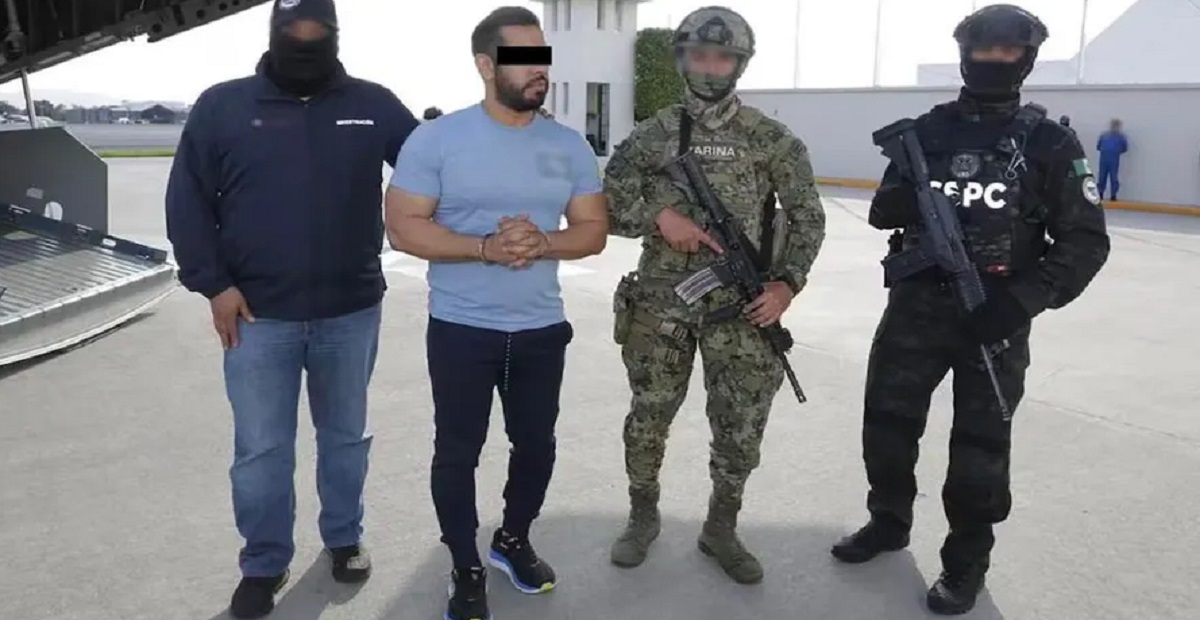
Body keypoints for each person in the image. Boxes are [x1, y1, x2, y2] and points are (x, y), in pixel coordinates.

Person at [830, 4, 1110, 615]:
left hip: (995, 318)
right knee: (886, 426)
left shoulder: (1050, 143)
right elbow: (882, 210)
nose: (993, 61)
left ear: (1025, 60)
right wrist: (908, 197)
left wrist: (1021, 302)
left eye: (1007, 52)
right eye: (984, 51)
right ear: (965, 56)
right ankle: (888, 523)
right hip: (915, 311)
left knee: (980, 449)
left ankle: (965, 564)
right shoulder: (926, 132)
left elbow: (1086, 241)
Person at [164, 0, 419, 617]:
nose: (305, 45)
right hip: (256, 316)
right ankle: (264, 562)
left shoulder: (374, 104)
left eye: (317, 34)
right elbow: (187, 202)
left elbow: (435, 167)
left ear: (336, 36)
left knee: (345, 438)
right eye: (293, 33)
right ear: (273, 34)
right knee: (261, 451)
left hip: (350, 310)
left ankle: (344, 538)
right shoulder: (222, 106)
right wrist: (213, 285)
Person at [383, 6, 607, 620]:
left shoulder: (567, 145)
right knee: (458, 452)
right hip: (462, 330)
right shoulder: (436, 140)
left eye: (542, 57)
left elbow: (592, 230)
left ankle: (512, 539)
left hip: (540, 329)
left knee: (536, 447)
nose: (539, 71)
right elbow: (402, 227)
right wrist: (485, 248)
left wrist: (543, 242)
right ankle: (465, 565)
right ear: (486, 65)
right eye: (523, 58)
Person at [603, 5, 826, 585]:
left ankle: (721, 527)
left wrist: (786, 284)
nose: (709, 66)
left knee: (741, 424)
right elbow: (607, 205)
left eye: (722, 57)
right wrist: (660, 217)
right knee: (649, 416)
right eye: (699, 55)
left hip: (744, 306)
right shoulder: (653, 134)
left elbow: (808, 215)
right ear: (682, 59)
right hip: (663, 303)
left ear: (739, 64)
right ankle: (642, 516)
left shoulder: (769, 138)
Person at [1096, 118, 1128, 200]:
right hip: (1104, 159)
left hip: (1113, 159)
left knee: (1114, 177)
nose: (1114, 127)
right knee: (1102, 176)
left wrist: (1115, 152)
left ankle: (1113, 195)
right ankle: (1100, 193)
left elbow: (1124, 148)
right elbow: (1098, 146)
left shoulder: (1121, 137)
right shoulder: (1104, 136)